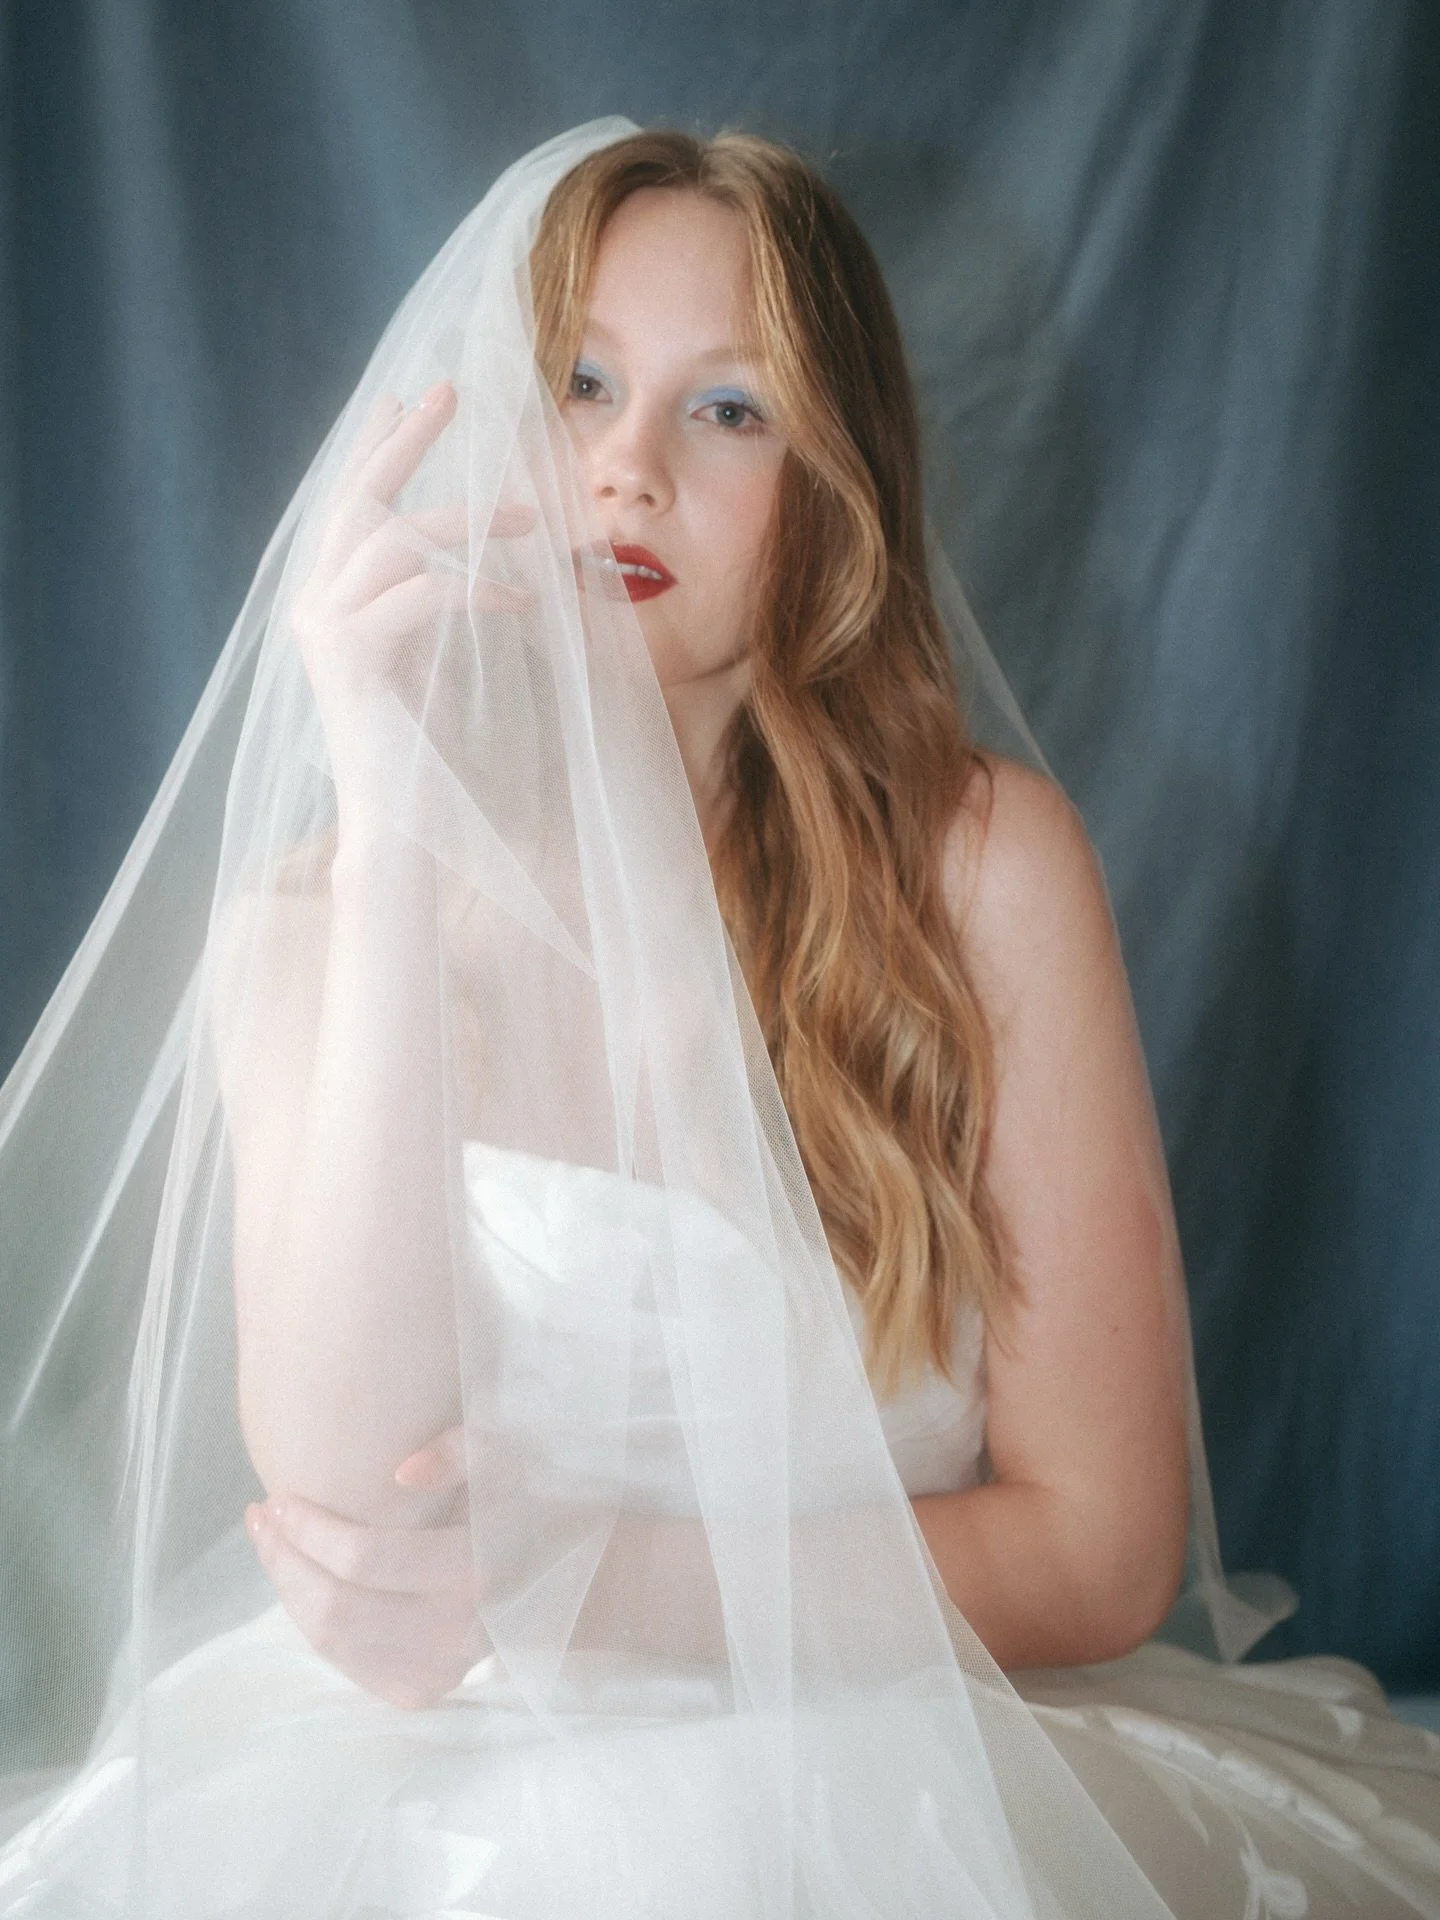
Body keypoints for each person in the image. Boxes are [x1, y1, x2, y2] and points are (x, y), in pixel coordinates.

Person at [0, 119, 1435, 1919]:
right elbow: (346, 1495)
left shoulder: (985, 870)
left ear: (831, 486)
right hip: (419, 1788)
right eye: (581, 385)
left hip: (914, 1772)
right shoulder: (314, 922)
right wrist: (388, 822)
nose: (631, 467)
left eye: (730, 409)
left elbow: (1101, 1549)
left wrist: (582, 1575)